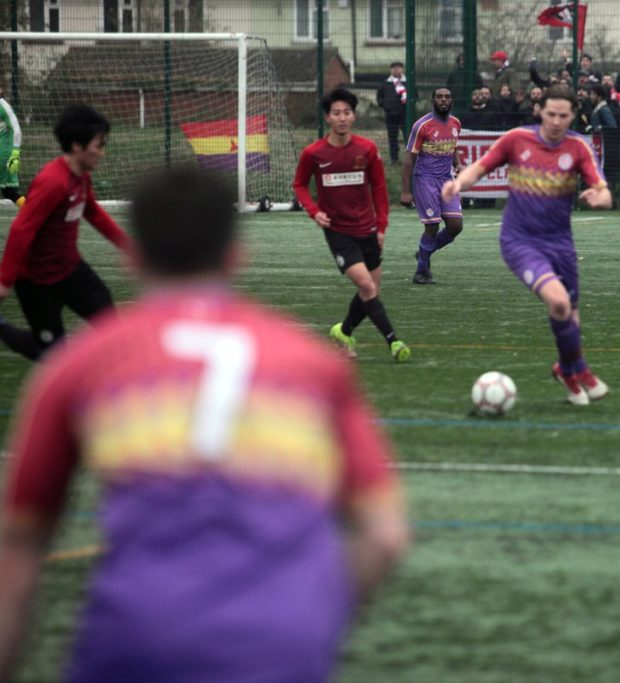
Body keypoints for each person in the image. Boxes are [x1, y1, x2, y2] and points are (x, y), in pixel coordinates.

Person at [0, 166, 409, 681]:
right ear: (238, 254)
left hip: (138, 642)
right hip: (284, 644)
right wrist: (308, 609)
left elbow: (18, 548)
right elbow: (386, 535)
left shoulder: (79, 366)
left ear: (138, 257)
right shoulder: (313, 363)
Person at [440, 84, 613, 405]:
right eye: (551, 114)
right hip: (520, 241)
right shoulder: (517, 139)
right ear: (539, 111)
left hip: (560, 244)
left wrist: (598, 198)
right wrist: (457, 184)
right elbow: (480, 167)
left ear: (573, 115)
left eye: (564, 115)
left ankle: (565, 370)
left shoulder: (578, 147)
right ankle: (581, 370)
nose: (557, 121)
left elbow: (603, 190)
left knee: (570, 314)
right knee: (559, 303)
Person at [0, 104, 130, 362]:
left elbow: (92, 211)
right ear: (77, 146)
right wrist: (4, 282)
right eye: (99, 145)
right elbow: (21, 230)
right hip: (38, 282)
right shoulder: (53, 182)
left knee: (111, 325)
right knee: (50, 354)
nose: (102, 153)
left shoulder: (80, 175)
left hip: (71, 270)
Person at [293, 87, 411, 362]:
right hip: (338, 231)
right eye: (337, 113)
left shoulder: (367, 149)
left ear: (354, 116)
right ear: (328, 118)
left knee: (370, 290)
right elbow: (299, 184)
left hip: (368, 229)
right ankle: (394, 341)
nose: (342, 118)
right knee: (368, 287)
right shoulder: (314, 153)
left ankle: (343, 332)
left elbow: (380, 190)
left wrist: (381, 227)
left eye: (347, 112)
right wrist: (314, 211)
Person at [401, 87, 463, 285]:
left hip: (447, 179)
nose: (443, 100)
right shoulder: (422, 125)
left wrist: (457, 163)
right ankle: (421, 272)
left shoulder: (456, 123)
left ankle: (423, 252)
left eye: (447, 97)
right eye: (439, 97)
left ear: (451, 101)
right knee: (432, 226)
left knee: (455, 226)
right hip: (425, 179)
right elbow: (409, 159)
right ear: (433, 100)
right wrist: (405, 191)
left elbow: (453, 146)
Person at [376, 61, 407, 164]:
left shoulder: (408, 82)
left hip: (405, 114)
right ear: (391, 70)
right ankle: (394, 158)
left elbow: (415, 96)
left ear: (402, 69)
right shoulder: (385, 83)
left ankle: (410, 158)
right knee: (392, 137)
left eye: (398, 67)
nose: (396, 70)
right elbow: (379, 97)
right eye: (394, 68)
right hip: (390, 115)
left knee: (409, 136)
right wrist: (386, 106)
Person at [0, 86, 25, 209]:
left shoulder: (4, 107)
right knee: (9, 192)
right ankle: (34, 212)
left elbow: (17, 130)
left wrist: (15, 153)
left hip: (3, 153)